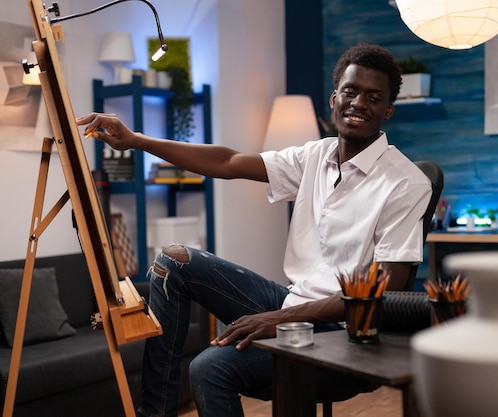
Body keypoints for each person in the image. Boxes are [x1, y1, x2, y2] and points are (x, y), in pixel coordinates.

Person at [77, 43, 433, 417]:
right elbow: (228, 161)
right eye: (350, 91)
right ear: (333, 98)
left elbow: (382, 294)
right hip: (292, 304)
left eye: (373, 98)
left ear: (388, 110)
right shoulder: (315, 156)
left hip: (347, 331)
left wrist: (278, 319)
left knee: (210, 367)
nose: (359, 103)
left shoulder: (405, 184)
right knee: (172, 262)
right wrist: (135, 140)